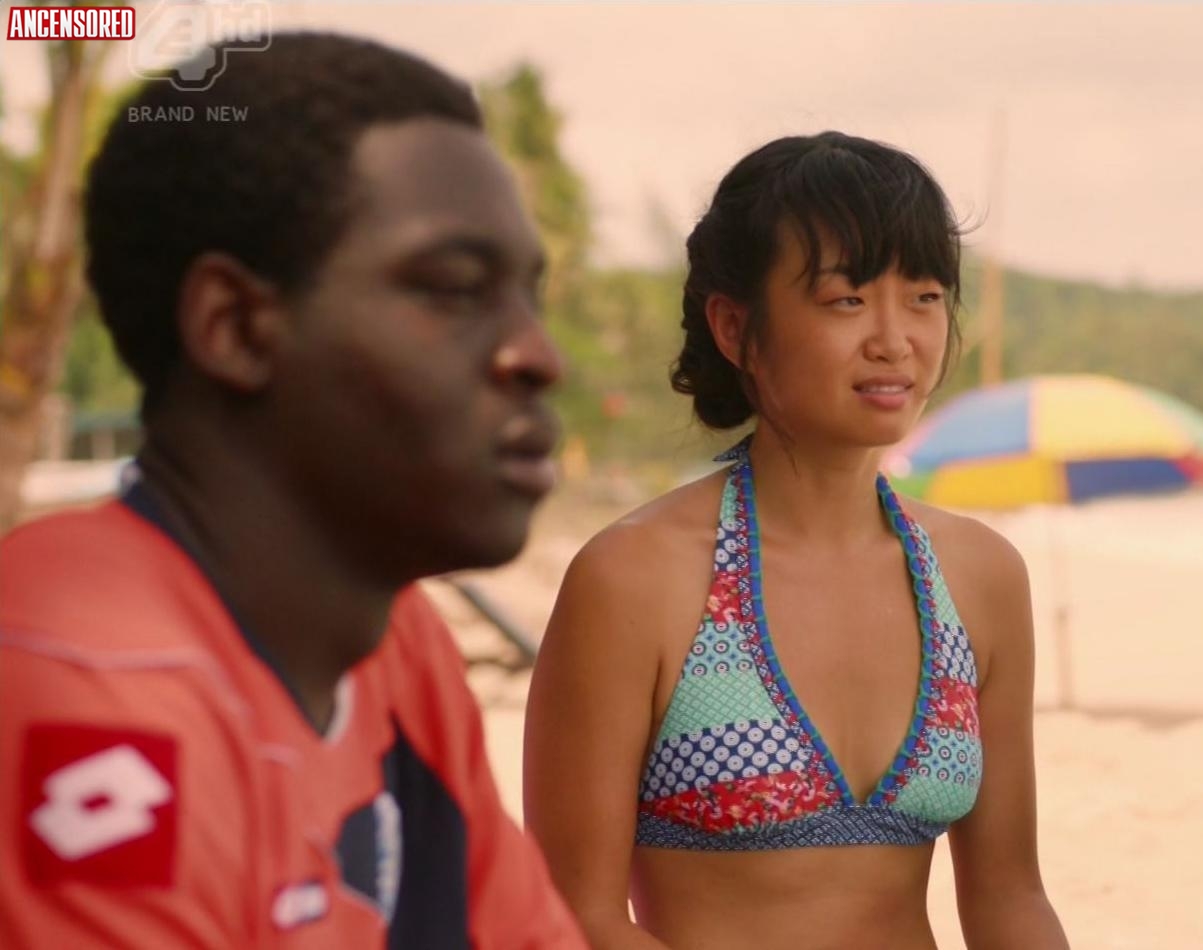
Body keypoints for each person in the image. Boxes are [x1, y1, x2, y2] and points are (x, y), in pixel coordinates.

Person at [0, 33, 586, 947]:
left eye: (528, 298)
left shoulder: (398, 646)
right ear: (236, 326)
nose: (538, 357)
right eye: (454, 289)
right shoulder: (90, 687)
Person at [523, 131, 1070, 949]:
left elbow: (1010, 897)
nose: (895, 339)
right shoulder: (637, 578)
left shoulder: (978, 576)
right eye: (847, 300)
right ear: (735, 327)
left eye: (924, 296)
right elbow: (573, 913)